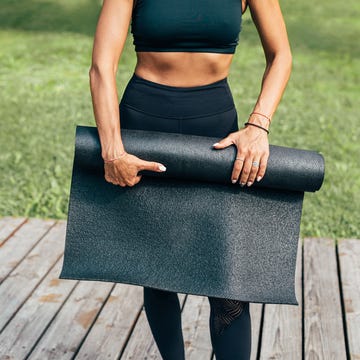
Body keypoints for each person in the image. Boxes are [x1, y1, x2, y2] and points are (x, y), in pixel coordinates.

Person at [89, 0, 292, 358]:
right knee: (158, 271)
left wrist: (259, 123)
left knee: (229, 281)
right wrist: (113, 151)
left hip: (215, 131)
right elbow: (102, 67)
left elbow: (281, 55)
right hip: (145, 125)